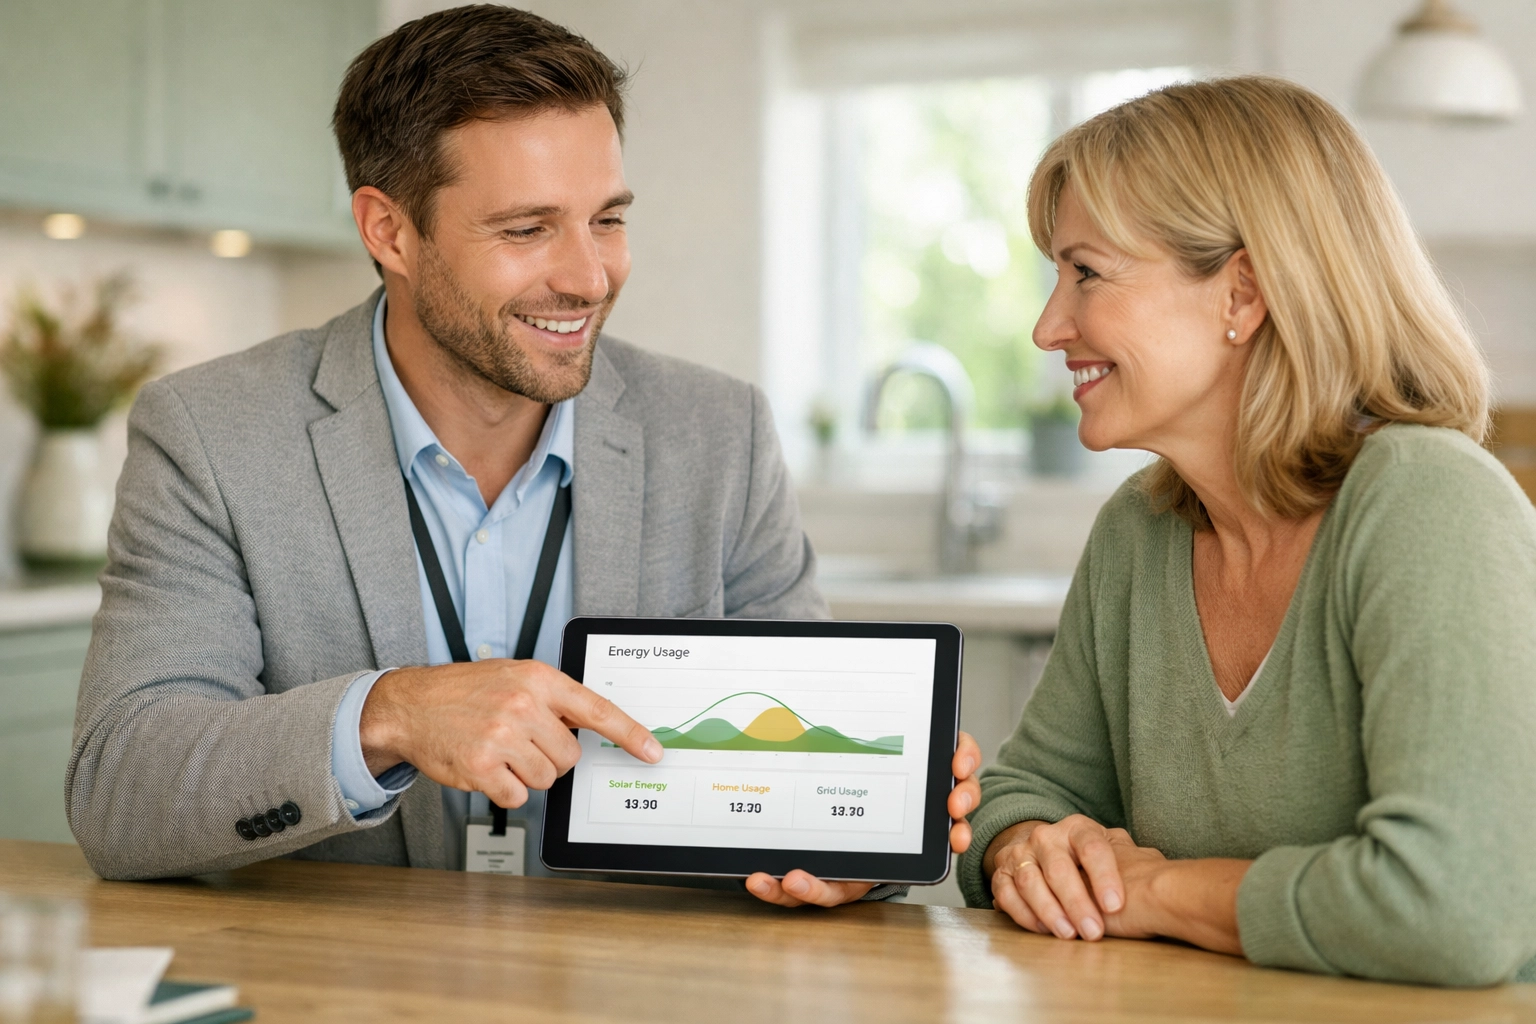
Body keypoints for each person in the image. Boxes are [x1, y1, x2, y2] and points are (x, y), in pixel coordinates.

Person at [69, 4, 982, 907]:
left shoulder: (719, 434)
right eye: (526, 229)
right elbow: (121, 788)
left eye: (608, 219)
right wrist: (390, 713)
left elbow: (797, 793)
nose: (588, 277)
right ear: (389, 231)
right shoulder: (210, 432)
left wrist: (857, 849)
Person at [958, 76, 1536, 985]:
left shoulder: (1428, 502)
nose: (1047, 326)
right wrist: (1031, 850)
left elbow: (1457, 906)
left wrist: (1157, 894)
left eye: (1088, 272)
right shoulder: (1139, 532)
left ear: (1243, 292)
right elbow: (1026, 795)